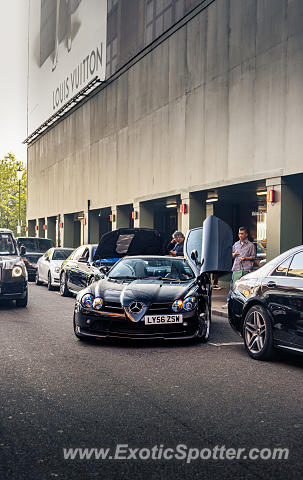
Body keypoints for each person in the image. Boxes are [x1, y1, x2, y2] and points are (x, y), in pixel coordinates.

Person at [222, 227, 255, 308]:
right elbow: (230, 256)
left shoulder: (251, 245)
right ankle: (229, 303)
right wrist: (234, 254)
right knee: (233, 287)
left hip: (246, 270)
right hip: (236, 269)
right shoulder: (236, 244)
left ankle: (244, 305)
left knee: (245, 289)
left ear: (246, 234)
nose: (240, 235)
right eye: (239, 233)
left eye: (242, 233)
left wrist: (246, 258)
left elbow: (253, 257)